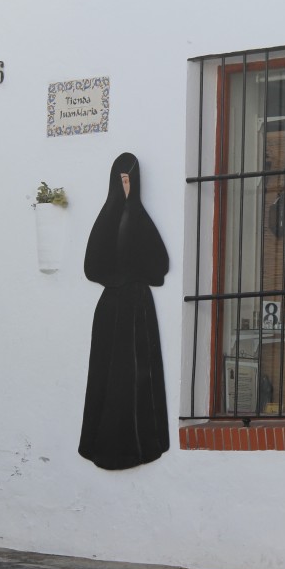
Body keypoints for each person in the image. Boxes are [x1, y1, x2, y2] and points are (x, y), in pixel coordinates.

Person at [79, 152, 169, 470]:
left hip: (138, 310)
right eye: (121, 179)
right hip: (111, 309)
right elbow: (92, 267)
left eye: (130, 179)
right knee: (108, 379)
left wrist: (136, 275)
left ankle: (140, 446)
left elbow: (161, 266)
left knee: (139, 378)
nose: (126, 186)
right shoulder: (106, 219)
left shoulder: (141, 219)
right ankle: (101, 445)